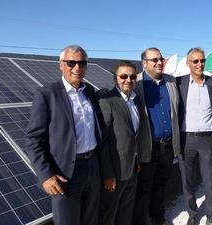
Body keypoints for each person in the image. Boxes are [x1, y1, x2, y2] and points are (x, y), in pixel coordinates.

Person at [25, 45, 104, 225]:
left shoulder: (90, 92)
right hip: (65, 172)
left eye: (82, 63)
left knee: (90, 219)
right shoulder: (47, 94)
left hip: (93, 166)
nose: (77, 68)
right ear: (61, 65)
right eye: (71, 62)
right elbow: (33, 139)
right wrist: (45, 175)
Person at [177, 47, 212, 225]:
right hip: (186, 140)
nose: (200, 64)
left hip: (207, 140)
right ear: (188, 64)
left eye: (202, 61)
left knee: (210, 180)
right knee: (187, 182)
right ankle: (192, 215)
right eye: (195, 61)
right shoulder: (179, 84)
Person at [98, 60, 150, 225]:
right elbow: (103, 141)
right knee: (109, 214)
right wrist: (108, 174)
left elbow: (137, 134)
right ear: (115, 78)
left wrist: (138, 160)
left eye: (133, 76)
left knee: (126, 210)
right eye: (124, 76)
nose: (129, 80)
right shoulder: (107, 101)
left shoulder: (136, 100)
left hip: (132, 168)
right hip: (115, 172)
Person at [133, 47, 180, 225]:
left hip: (167, 146)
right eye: (155, 60)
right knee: (143, 188)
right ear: (144, 63)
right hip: (147, 147)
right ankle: (139, 221)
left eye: (161, 59)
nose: (160, 62)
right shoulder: (135, 83)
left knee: (161, 185)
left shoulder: (170, 81)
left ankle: (157, 218)